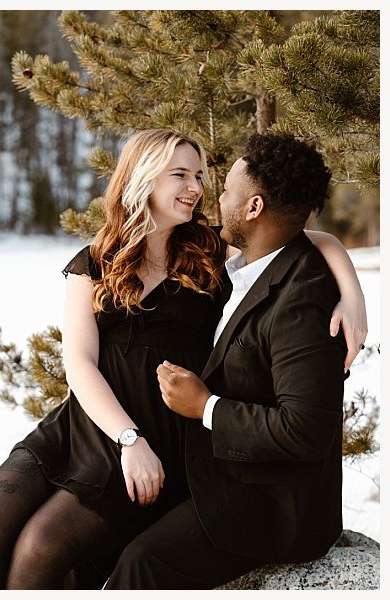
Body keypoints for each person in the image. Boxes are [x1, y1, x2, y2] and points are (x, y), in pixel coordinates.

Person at [0, 129, 366, 589]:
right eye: (180, 175)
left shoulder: (207, 250)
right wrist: (126, 438)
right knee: (1, 513)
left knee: (41, 546)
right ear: (143, 178)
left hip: (159, 436)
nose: (197, 187)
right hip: (89, 425)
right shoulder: (96, 261)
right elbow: (79, 363)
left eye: (200, 175)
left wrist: (352, 296)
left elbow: (304, 237)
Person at [107, 133, 349, 589]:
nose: (213, 197)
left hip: (270, 504)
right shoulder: (247, 265)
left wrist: (206, 407)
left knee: (140, 563)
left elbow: (304, 432)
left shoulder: (303, 299)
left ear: (254, 208)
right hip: (217, 471)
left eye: (227, 191)